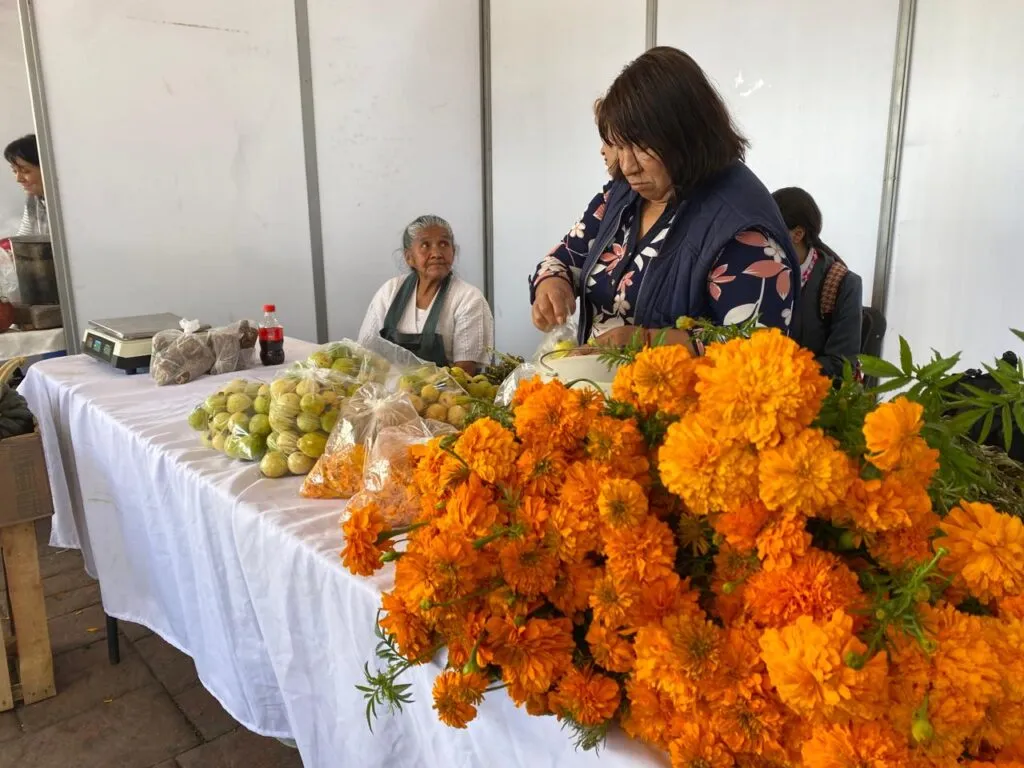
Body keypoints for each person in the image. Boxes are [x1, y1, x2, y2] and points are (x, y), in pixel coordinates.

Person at [530, 47, 800, 352]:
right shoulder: (621, 195)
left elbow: (758, 352)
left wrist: (646, 342)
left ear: (686, 136)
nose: (628, 166)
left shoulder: (743, 233)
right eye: (620, 146)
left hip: (676, 397)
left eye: (642, 147)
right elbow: (563, 259)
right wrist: (553, 285)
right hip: (596, 392)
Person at [359, 215, 494, 373]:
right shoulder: (390, 291)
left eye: (444, 244)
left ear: (453, 251)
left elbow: (465, 371)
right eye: (425, 245)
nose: (436, 253)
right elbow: (365, 352)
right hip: (386, 394)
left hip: (444, 395)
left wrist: (418, 391)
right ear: (409, 257)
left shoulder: (468, 298)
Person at [772, 187, 863, 379]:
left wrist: (783, 374)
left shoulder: (842, 284)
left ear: (797, 234)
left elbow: (841, 364)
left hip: (812, 397)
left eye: (771, 233)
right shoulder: (762, 274)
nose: (763, 241)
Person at [5, 134, 48, 236]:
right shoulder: (33, 199)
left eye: (25, 171)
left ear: (47, 167)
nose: (18, 179)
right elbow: (25, 239)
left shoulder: (69, 204)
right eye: (15, 171)